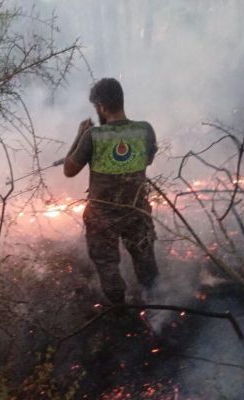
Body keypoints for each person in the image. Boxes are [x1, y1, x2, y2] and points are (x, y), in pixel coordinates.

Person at [63, 77, 158, 305]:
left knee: (107, 265)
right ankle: (157, 305)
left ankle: (118, 309)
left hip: (102, 217)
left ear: (101, 106)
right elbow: (148, 159)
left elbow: (69, 170)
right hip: (136, 210)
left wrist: (79, 135)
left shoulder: (92, 136)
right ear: (121, 101)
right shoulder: (145, 130)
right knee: (145, 259)